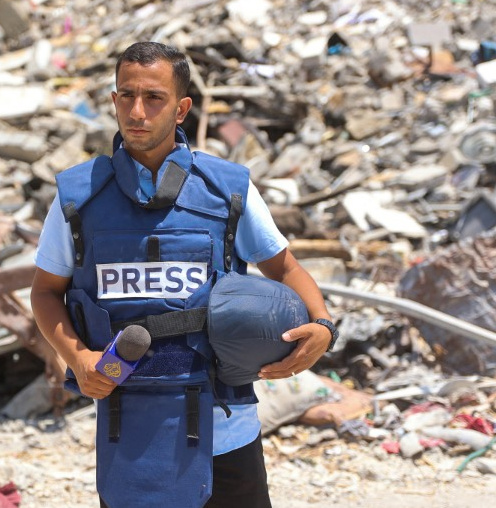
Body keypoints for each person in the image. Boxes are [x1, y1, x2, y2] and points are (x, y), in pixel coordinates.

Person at [30, 41, 336, 508]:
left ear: (181, 108)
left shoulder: (226, 188)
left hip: (225, 429)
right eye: (126, 96)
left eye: (154, 98)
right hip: (128, 426)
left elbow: (285, 268)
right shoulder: (78, 195)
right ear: (113, 101)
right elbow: (45, 292)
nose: (137, 111)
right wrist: (77, 357)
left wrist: (323, 326)